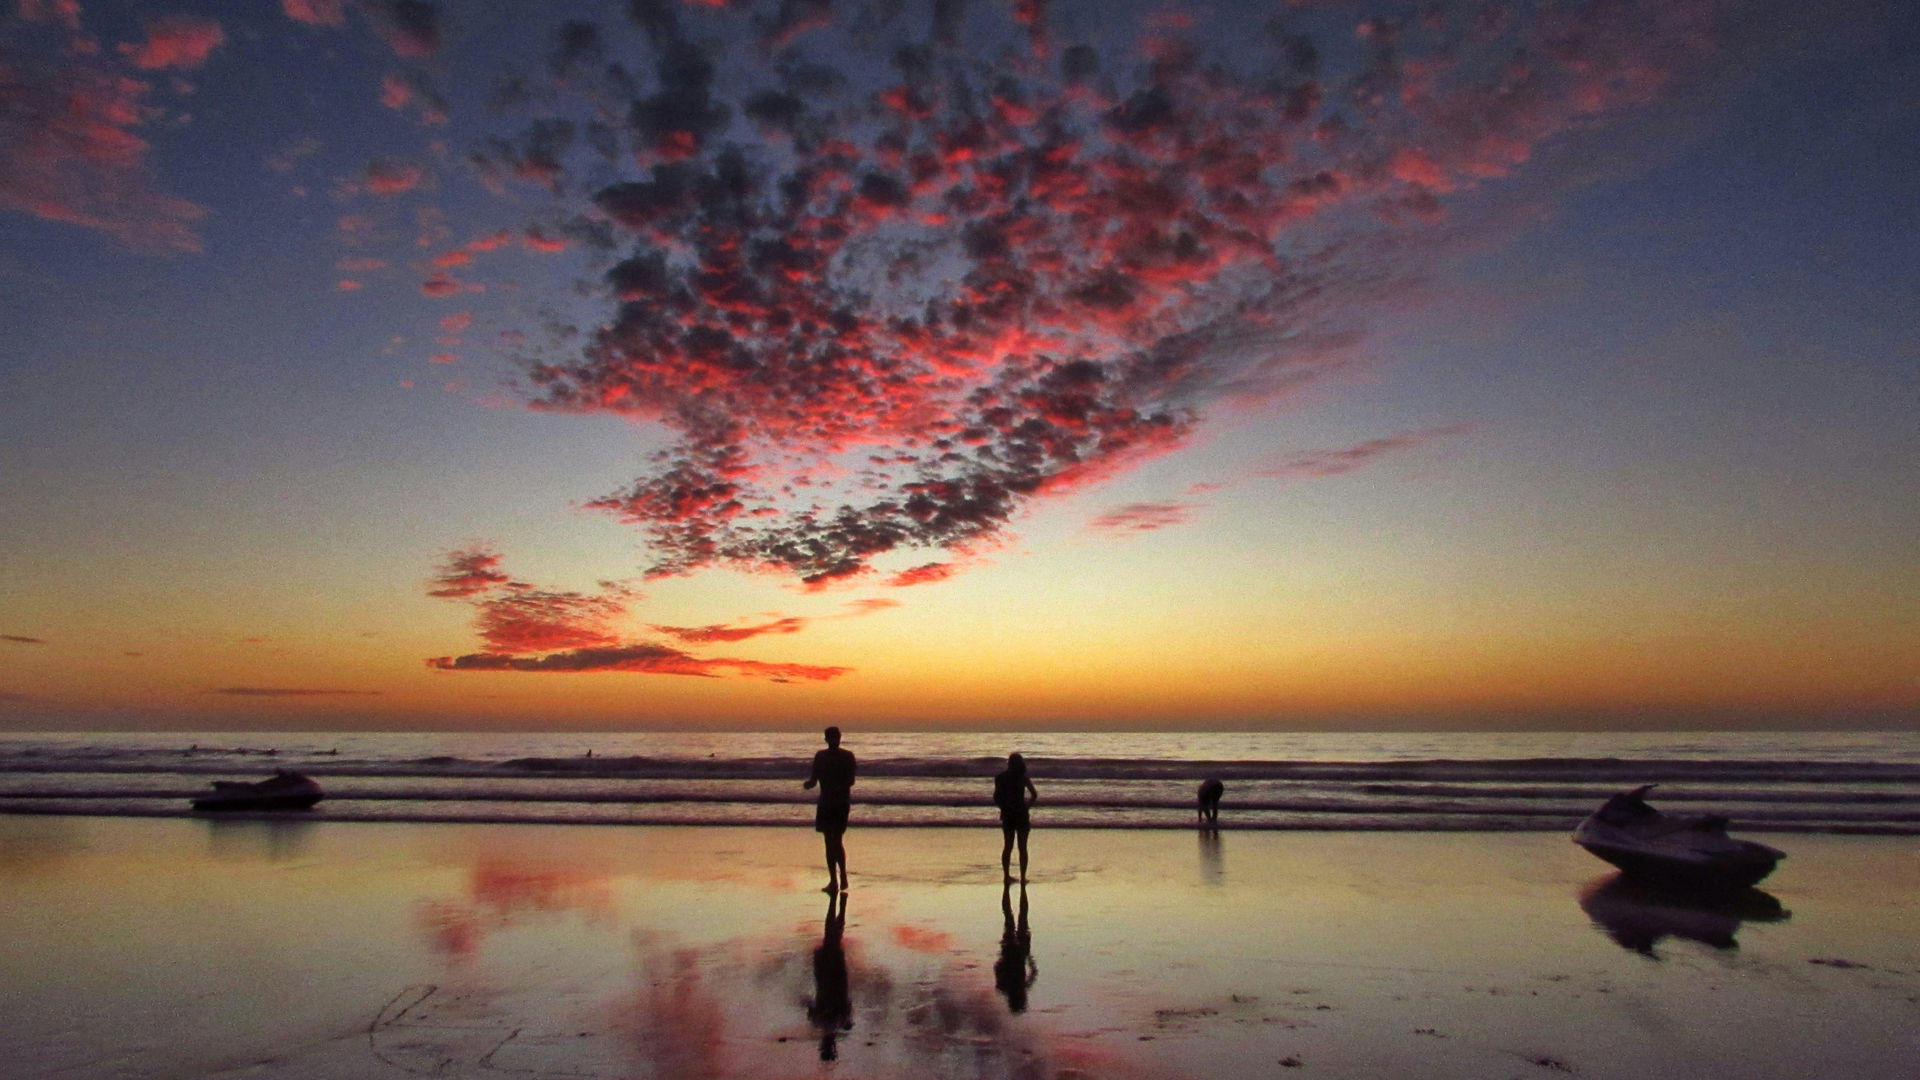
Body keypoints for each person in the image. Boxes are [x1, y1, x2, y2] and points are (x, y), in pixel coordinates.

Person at [803, 726, 856, 892]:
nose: (833, 740)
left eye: (835, 737)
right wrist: (809, 784)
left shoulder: (847, 756)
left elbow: (851, 780)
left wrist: (835, 786)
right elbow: (814, 779)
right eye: (831, 737)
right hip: (827, 802)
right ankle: (834, 879)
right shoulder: (820, 756)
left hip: (839, 802)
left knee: (836, 841)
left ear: (839, 738)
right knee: (829, 841)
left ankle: (843, 876)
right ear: (826, 739)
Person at [993, 752, 1038, 883]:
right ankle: (1023, 877)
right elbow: (1034, 795)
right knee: (1022, 848)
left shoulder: (1001, 778)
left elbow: (996, 797)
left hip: (1008, 814)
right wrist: (1027, 807)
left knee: (1008, 846)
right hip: (1021, 814)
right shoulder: (1022, 777)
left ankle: (1006, 876)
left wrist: (1003, 807)